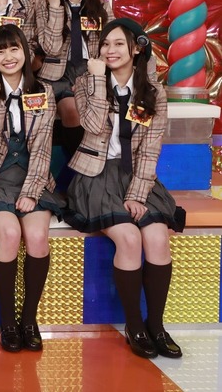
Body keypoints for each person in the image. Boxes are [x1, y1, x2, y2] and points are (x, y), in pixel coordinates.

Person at [63, 18, 185, 359]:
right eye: (105, 44)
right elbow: (91, 125)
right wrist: (98, 81)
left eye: (118, 44)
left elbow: (150, 149)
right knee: (129, 238)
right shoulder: (86, 82)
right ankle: (134, 326)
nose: (110, 50)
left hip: (136, 176)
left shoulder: (153, 92)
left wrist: (137, 194)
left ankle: (156, 325)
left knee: (157, 238)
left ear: (136, 48)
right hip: (96, 174)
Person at [0, 24, 63, 353]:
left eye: (14, 48)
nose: (8, 56)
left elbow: (43, 148)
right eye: (0, 50)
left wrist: (31, 192)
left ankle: (29, 320)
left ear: (25, 52)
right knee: (8, 233)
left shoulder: (43, 91)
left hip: (33, 177)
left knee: (37, 235)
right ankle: (7, 321)